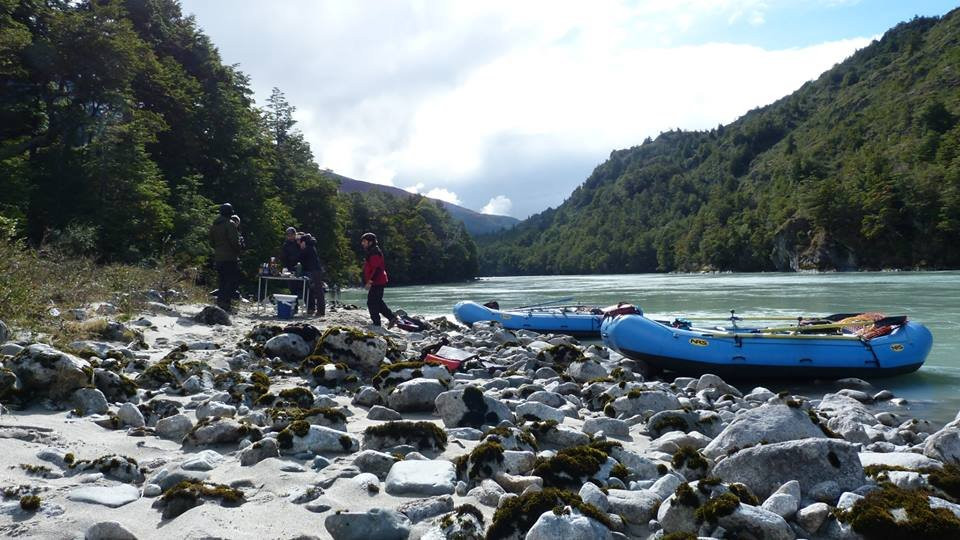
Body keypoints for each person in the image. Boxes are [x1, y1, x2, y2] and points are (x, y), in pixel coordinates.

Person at [209, 203, 242, 312]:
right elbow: (234, 241)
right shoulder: (230, 224)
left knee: (222, 282)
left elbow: (211, 242)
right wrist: (239, 250)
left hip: (218, 257)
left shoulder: (214, 225)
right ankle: (225, 306)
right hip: (230, 258)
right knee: (230, 282)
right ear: (229, 213)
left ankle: (220, 304)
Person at [360, 232, 398, 327]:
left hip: (377, 281)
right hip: (378, 281)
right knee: (377, 301)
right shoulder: (372, 251)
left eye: (364, 241)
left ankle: (376, 323)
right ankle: (392, 318)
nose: (362, 243)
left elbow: (377, 269)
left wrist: (370, 281)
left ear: (370, 242)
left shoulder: (374, 252)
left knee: (371, 302)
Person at [298, 233, 326, 316]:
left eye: (301, 242)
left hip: (315, 271)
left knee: (318, 291)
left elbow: (300, 258)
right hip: (315, 271)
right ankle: (314, 309)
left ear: (304, 242)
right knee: (315, 290)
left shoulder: (307, 249)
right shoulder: (311, 246)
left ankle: (320, 311)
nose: (300, 244)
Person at [280, 226, 302, 296]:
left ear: (295, 234)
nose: (290, 236)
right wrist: (285, 267)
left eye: (291, 234)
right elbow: (284, 257)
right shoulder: (286, 245)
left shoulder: (299, 242)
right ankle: (294, 305)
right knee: (292, 288)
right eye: (288, 235)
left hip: (300, 267)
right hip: (289, 268)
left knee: (301, 287)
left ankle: (304, 303)